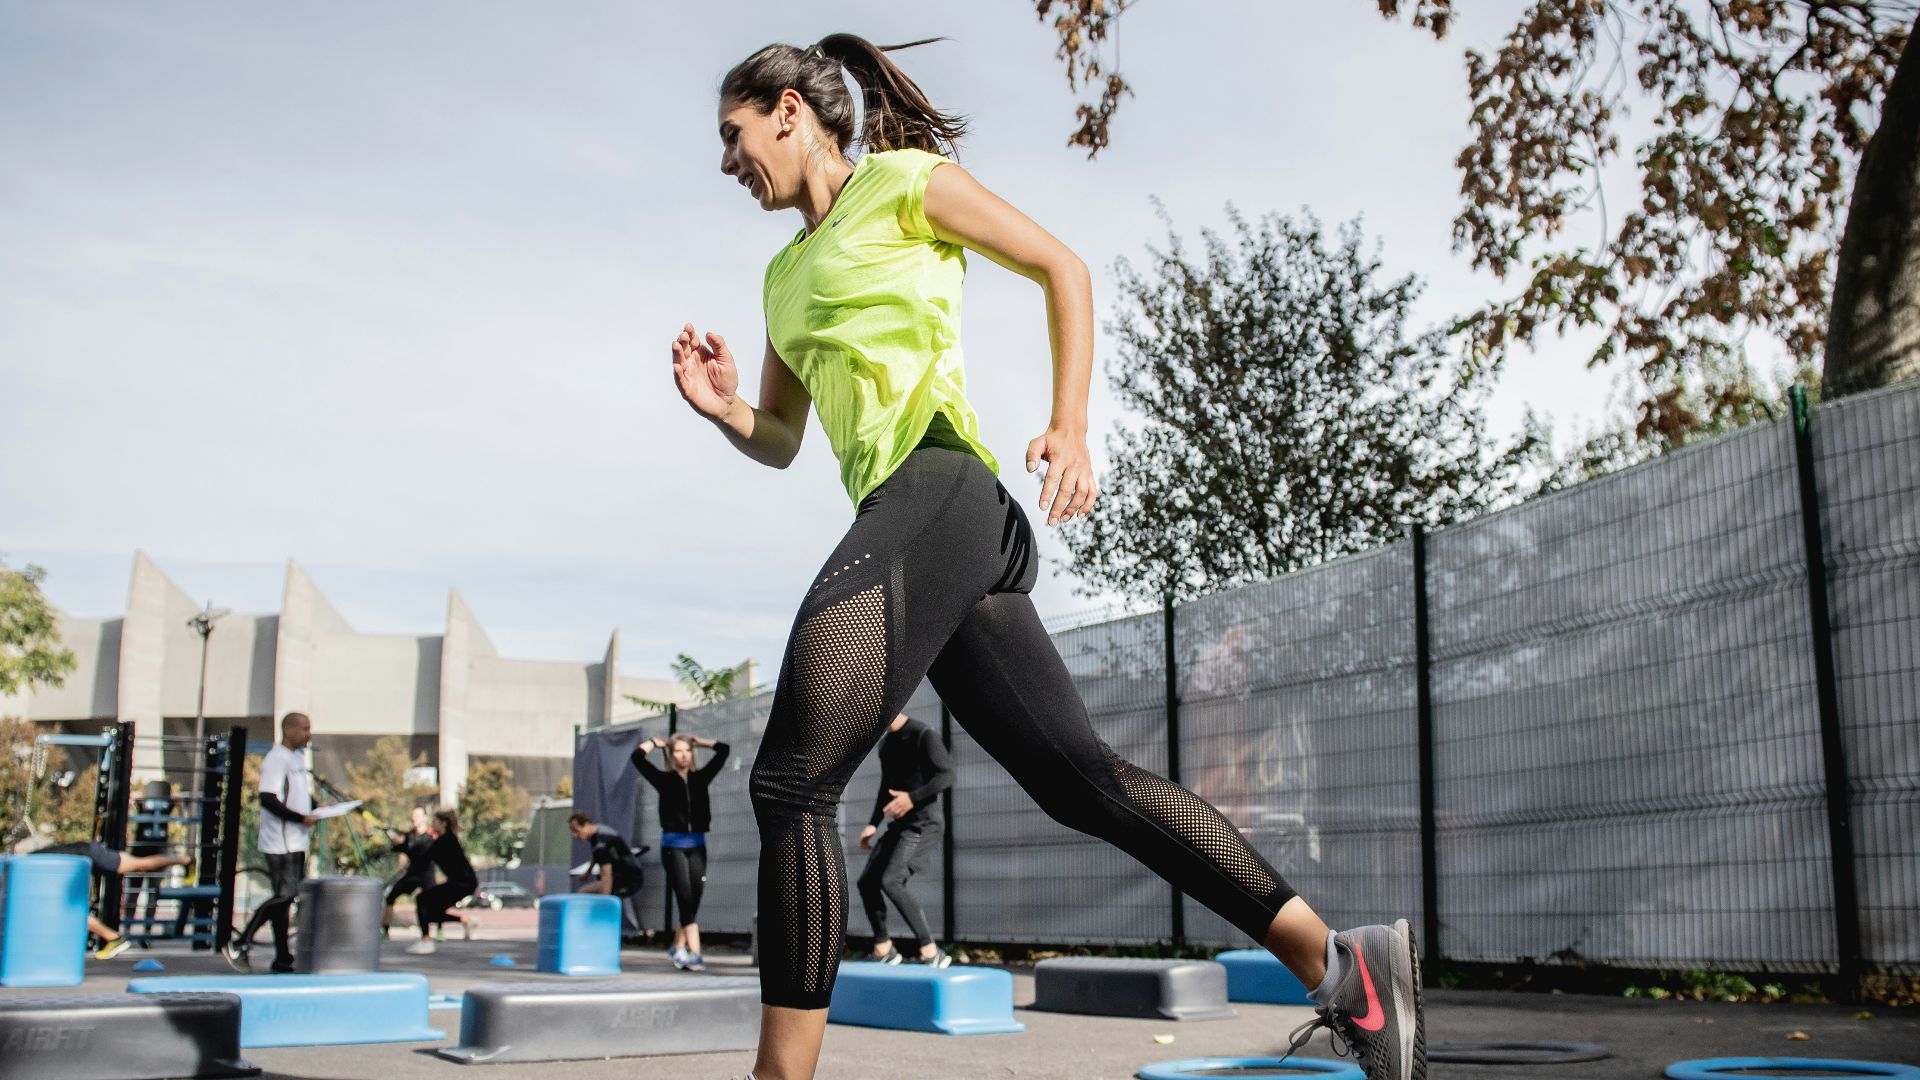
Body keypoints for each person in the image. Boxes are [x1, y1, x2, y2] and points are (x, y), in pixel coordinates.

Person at [670, 34, 1425, 1080]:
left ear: (791, 111)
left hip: (940, 485)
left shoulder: (904, 184)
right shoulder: (782, 276)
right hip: (926, 528)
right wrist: (725, 412)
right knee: (1084, 784)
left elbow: (1059, 268)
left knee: (793, 781)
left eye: (733, 135)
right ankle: (1343, 964)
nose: (726, 161)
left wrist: (1069, 427)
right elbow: (784, 439)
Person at [227, 711, 327, 973]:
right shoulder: (276, 758)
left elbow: (297, 796)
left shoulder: (296, 759)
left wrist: (317, 807)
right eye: (304, 729)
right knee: (286, 895)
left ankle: (282, 957)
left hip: (296, 841)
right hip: (280, 841)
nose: (309, 734)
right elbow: (268, 798)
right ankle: (241, 941)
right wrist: (299, 818)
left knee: (284, 900)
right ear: (289, 730)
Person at [857, 713, 952, 966]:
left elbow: (946, 775)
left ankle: (931, 951)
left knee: (891, 880)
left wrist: (911, 798)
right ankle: (884, 948)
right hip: (900, 825)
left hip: (924, 824)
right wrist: (872, 824)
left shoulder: (924, 734)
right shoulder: (887, 744)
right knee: (867, 882)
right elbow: (885, 787)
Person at [631, 733, 729, 971]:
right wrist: (655, 743)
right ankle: (695, 953)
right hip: (673, 847)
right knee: (685, 898)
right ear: (671, 755)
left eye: (687, 751)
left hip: (697, 845)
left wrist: (701, 741)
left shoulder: (701, 778)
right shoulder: (663, 780)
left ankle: (677, 947)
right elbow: (637, 757)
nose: (684, 755)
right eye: (678, 751)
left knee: (693, 899)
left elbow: (723, 749)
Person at [34, 839, 190, 960]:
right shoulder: (32, 863)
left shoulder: (29, 865)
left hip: (89, 855)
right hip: (85, 854)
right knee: (139, 864)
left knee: (140, 865)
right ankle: (183, 860)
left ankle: (114, 938)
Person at [407, 808, 476, 955]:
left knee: (422, 900)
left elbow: (423, 858)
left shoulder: (446, 841)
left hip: (463, 883)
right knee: (431, 912)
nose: (433, 824)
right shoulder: (446, 839)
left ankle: (426, 941)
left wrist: (403, 846)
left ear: (443, 824)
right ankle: (466, 920)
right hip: (464, 882)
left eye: (435, 822)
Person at [566, 812, 647, 930]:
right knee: (585, 893)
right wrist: (588, 872)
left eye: (576, 830)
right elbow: (597, 856)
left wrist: (604, 902)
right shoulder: (598, 832)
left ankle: (602, 929)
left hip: (629, 879)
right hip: (622, 875)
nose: (575, 835)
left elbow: (606, 875)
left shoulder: (600, 843)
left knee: (597, 897)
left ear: (587, 825)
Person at [382, 806, 434, 937]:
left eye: (417, 815)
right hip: (413, 873)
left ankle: (435, 930)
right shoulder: (409, 836)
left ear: (425, 818)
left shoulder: (432, 835)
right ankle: (385, 930)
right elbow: (400, 848)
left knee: (431, 902)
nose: (414, 818)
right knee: (390, 897)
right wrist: (396, 844)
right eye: (413, 815)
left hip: (427, 874)